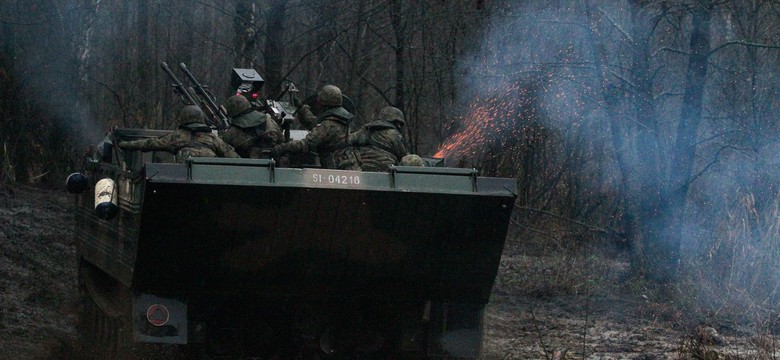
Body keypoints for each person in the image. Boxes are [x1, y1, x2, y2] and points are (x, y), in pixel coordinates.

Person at [272, 85, 360, 170]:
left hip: (339, 171)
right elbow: (315, 123)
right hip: (348, 168)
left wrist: (282, 147)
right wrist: (302, 108)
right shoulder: (338, 119)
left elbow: (306, 144)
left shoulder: (329, 124)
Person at [117, 105, 239, 162]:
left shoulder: (176, 136)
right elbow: (233, 157)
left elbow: (150, 144)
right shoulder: (212, 138)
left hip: (184, 178)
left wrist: (125, 144)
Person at [220, 94, 282, 159]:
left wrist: (221, 131)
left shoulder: (233, 131)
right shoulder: (268, 120)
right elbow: (281, 140)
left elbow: (220, 146)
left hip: (246, 166)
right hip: (273, 163)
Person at [349, 106, 408, 172]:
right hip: (386, 169)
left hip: (363, 169)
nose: (399, 126)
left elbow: (348, 140)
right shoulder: (394, 134)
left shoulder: (366, 130)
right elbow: (403, 156)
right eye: (397, 122)